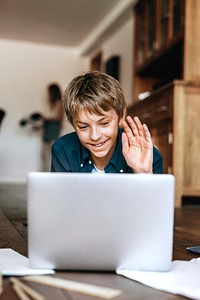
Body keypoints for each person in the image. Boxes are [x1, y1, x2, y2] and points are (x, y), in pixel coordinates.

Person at [51, 71, 163, 173]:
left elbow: (158, 195)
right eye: (83, 127)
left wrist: (143, 173)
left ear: (121, 116)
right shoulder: (63, 151)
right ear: (74, 124)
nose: (95, 136)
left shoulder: (145, 155)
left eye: (104, 123)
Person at [42, 83, 64, 171]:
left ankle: (51, 173)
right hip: (48, 131)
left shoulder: (59, 102)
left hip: (53, 131)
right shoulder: (53, 104)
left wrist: (45, 118)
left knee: (51, 155)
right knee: (45, 155)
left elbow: (58, 117)